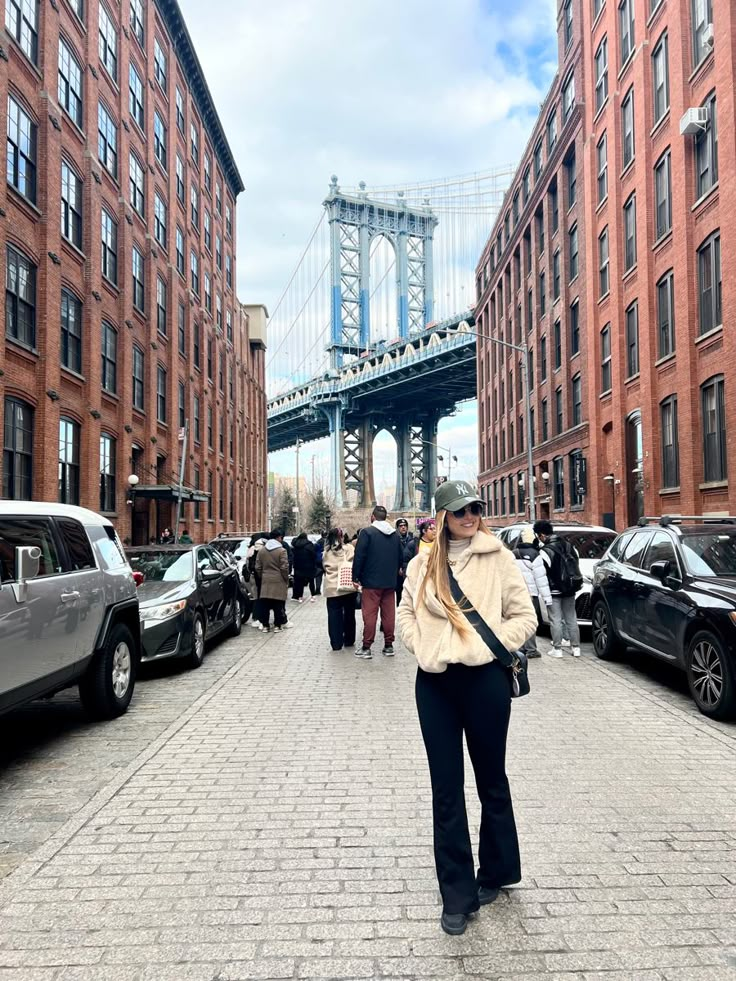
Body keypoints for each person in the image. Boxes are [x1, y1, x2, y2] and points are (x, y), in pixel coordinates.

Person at [398, 479, 537, 937]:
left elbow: (525, 616)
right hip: (435, 684)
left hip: (485, 681)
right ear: (441, 517)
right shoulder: (421, 564)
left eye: (474, 508)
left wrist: (490, 648)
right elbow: (405, 614)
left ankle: (496, 870)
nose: (469, 516)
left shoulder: (499, 558)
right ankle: (456, 894)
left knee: (491, 779)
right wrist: (423, 647)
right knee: (446, 789)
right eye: (459, 511)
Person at [351, 506, 403, 659]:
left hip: (371, 582)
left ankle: (367, 647)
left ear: (372, 517)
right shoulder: (395, 536)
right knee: (389, 615)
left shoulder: (367, 533)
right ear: (385, 517)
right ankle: (388, 645)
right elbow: (400, 557)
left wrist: (355, 577)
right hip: (389, 582)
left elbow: (359, 556)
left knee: (370, 615)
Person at [534, 519, 582, 658]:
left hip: (554, 590)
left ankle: (557, 649)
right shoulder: (570, 546)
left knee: (555, 619)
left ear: (542, 535)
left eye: (538, 536)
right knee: (571, 618)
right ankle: (576, 648)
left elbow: (543, 573)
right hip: (570, 588)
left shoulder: (545, 551)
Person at [512, 526, 552, 659]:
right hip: (530, 594)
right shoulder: (536, 555)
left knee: (517, 620)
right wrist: (547, 599)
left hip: (515, 593)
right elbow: (541, 579)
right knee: (530, 620)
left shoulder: (513, 553)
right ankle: (531, 649)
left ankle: (519, 647)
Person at [321, 528, 357, 651]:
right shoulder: (349, 549)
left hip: (331, 587)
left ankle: (336, 643)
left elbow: (323, 567)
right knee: (349, 614)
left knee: (333, 615)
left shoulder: (326, 552)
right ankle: (349, 639)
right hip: (347, 585)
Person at [255, 530, 290, 632]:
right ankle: (277, 625)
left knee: (265, 605)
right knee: (278, 604)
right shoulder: (282, 551)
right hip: (278, 580)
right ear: (278, 538)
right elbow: (284, 567)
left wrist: (263, 576)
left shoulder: (262, 551)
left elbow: (258, 567)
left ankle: (265, 626)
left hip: (266, 580)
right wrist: (285, 578)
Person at [291, 532, 318, 602]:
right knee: (311, 581)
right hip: (309, 566)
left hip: (299, 567)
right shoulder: (309, 545)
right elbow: (314, 555)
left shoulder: (296, 545)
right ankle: (313, 596)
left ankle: (300, 597)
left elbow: (293, 556)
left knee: (300, 582)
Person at [395, 519, 413, 605]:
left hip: (410, 569)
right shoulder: (394, 539)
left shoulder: (412, 539)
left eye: (405, 526)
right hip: (399, 572)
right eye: (401, 526)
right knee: (400, 593)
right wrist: (398, 567)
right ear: (397, 528)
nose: (403, 527)